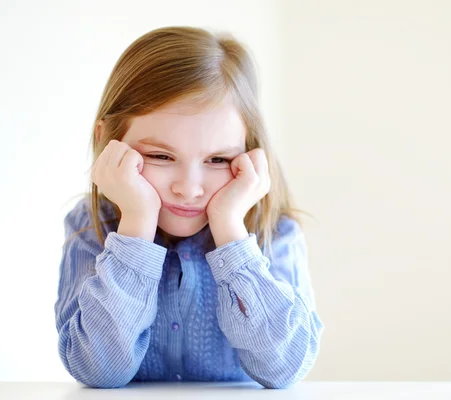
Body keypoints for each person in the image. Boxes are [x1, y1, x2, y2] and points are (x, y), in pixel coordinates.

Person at [54, 26, 324, 389]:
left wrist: (230, 228)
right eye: (161, 156)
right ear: (107, 140)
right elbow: (97, 369)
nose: (189, 188)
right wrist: (137, 223)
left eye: (216, 159)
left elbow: (285, 368)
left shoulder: (272, 231)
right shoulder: (93, 227)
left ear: (248, 154)